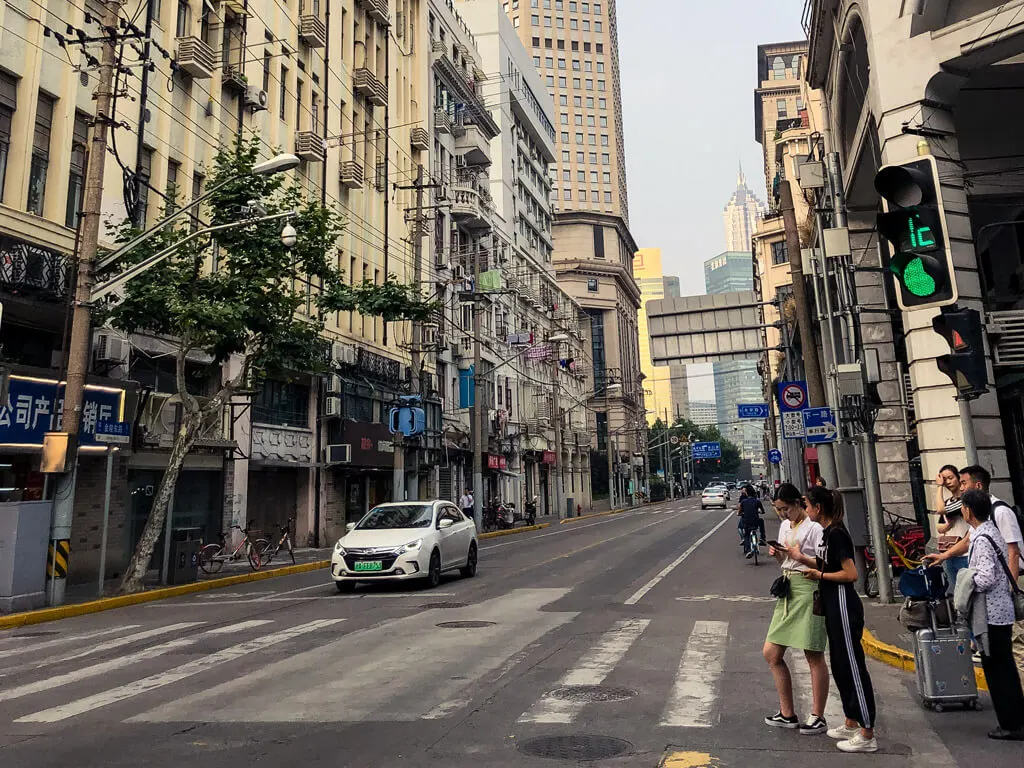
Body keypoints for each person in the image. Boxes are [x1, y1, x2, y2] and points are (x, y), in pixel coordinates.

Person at [791, 487, 878, 753]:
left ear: (819, 508)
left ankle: (867, 733)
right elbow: (823, 564)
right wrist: (799, 559)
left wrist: (821, 577)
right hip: (830, 605)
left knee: (852, 665)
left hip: (843, 605)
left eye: (807, 505)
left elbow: (850, 574)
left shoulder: (838, 533)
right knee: (839, 664)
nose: (806, 510)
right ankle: (851, 721)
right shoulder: (826, 534)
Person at [925, 465, 1023, 680]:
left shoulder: (1000, 512)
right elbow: (966, 540)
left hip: (1012, 585)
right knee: (1004, 656)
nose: (961, 487)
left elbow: (1013, 551)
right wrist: (943, 556)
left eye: (963, 483)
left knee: (1016, 650)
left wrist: (1010, 588)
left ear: (977, 486)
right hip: (995, 600)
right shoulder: (982, 522)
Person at [956, 490, 1024, 740]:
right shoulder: (987, 530)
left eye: (963, 507)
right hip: (1000, 610)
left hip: (992, 613)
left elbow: (985, 577)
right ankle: (1015, 719)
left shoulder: (983, 537)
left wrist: (966, 577)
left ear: (969, 511)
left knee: (997, 669)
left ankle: (1010, 723)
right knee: (1003, 666)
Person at [763, 483, 829, 735]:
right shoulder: (784, 526)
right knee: (771, 652)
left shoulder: (814, 528)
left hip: (809, 586)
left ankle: (818, 715)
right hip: (788, 586)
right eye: (779, 510)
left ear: (799, 503)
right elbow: (785, 559)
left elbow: (824, 562)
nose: (783, 514)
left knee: (812, 653)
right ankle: (787, 712)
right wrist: (778, 553)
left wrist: (799, 556)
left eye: (786, 509)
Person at [934, 464, 969, 595]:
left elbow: (940, 510)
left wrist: (938, 487)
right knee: (954, 592)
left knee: (966, 593)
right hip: (949, 552)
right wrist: (948, 525)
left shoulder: (964, 499)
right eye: (944, 480)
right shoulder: (948, 501)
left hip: (965, 553)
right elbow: (939, 527)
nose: (948, 482)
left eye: (950, 478)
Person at [737, 484, 766, 557]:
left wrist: (740, 513)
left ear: (746, 493)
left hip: (747, 522)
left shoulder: (743, 502)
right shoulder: (757, 501)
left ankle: (748, 550)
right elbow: (763, 511)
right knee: (761, 521)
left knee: (746, 535)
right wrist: (759, 512)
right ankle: (762, 538)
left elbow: (739, 512)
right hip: (756, 521)